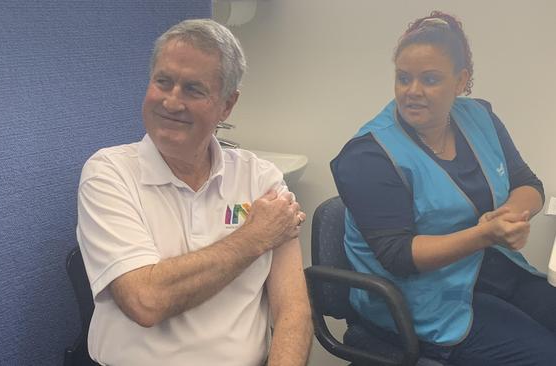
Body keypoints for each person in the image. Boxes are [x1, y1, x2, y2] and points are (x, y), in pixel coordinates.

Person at [76, 19, 312, 366]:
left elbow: (293, 311)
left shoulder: (261, 179)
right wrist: (253, 237)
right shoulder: (109, 173)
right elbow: (146, 300)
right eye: (163, 82)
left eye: (193, 89)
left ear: (227, 105)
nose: (171, 102)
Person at [331, 11, 556, 366]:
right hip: (419, 300)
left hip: (488, 271)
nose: (413, 92)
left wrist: (510, 216)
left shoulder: (479, 118)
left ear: (460, 80)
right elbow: (399, 256)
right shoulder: (368, 156)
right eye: (403, 79)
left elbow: (527, 184)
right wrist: (485, 234)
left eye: (430, 79)